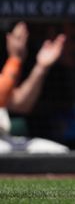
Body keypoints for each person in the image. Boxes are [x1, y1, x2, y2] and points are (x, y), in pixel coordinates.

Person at [0, 21, 68, 153]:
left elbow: (20, 104)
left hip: (4, 140)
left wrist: (41, 67)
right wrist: (15, 59)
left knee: (60, 152)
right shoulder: (13, 62)